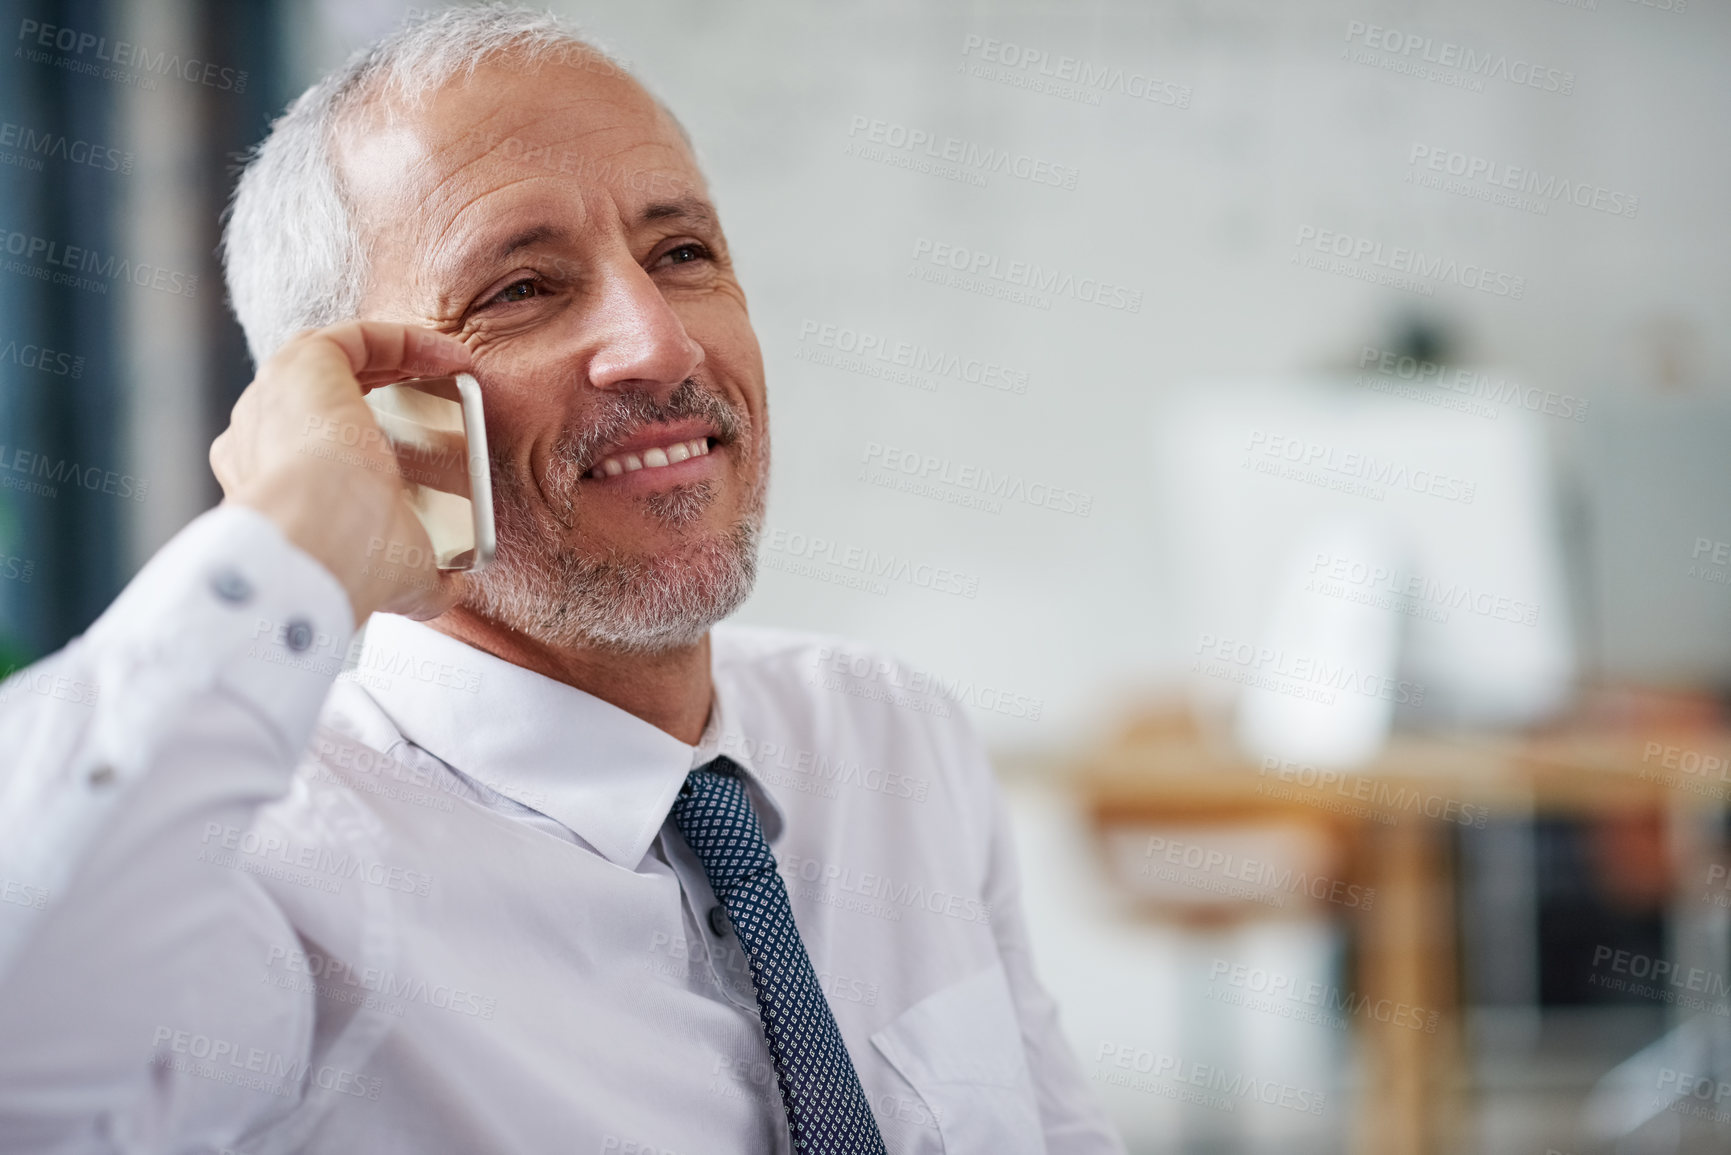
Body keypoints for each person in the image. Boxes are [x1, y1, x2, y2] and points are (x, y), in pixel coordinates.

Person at [0, 7, 1121, 1153]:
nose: (661, 344)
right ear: (360, 411)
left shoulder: (888, 734)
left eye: (682, 255)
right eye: (521, 289)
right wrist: (293, 543)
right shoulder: (285, 884)